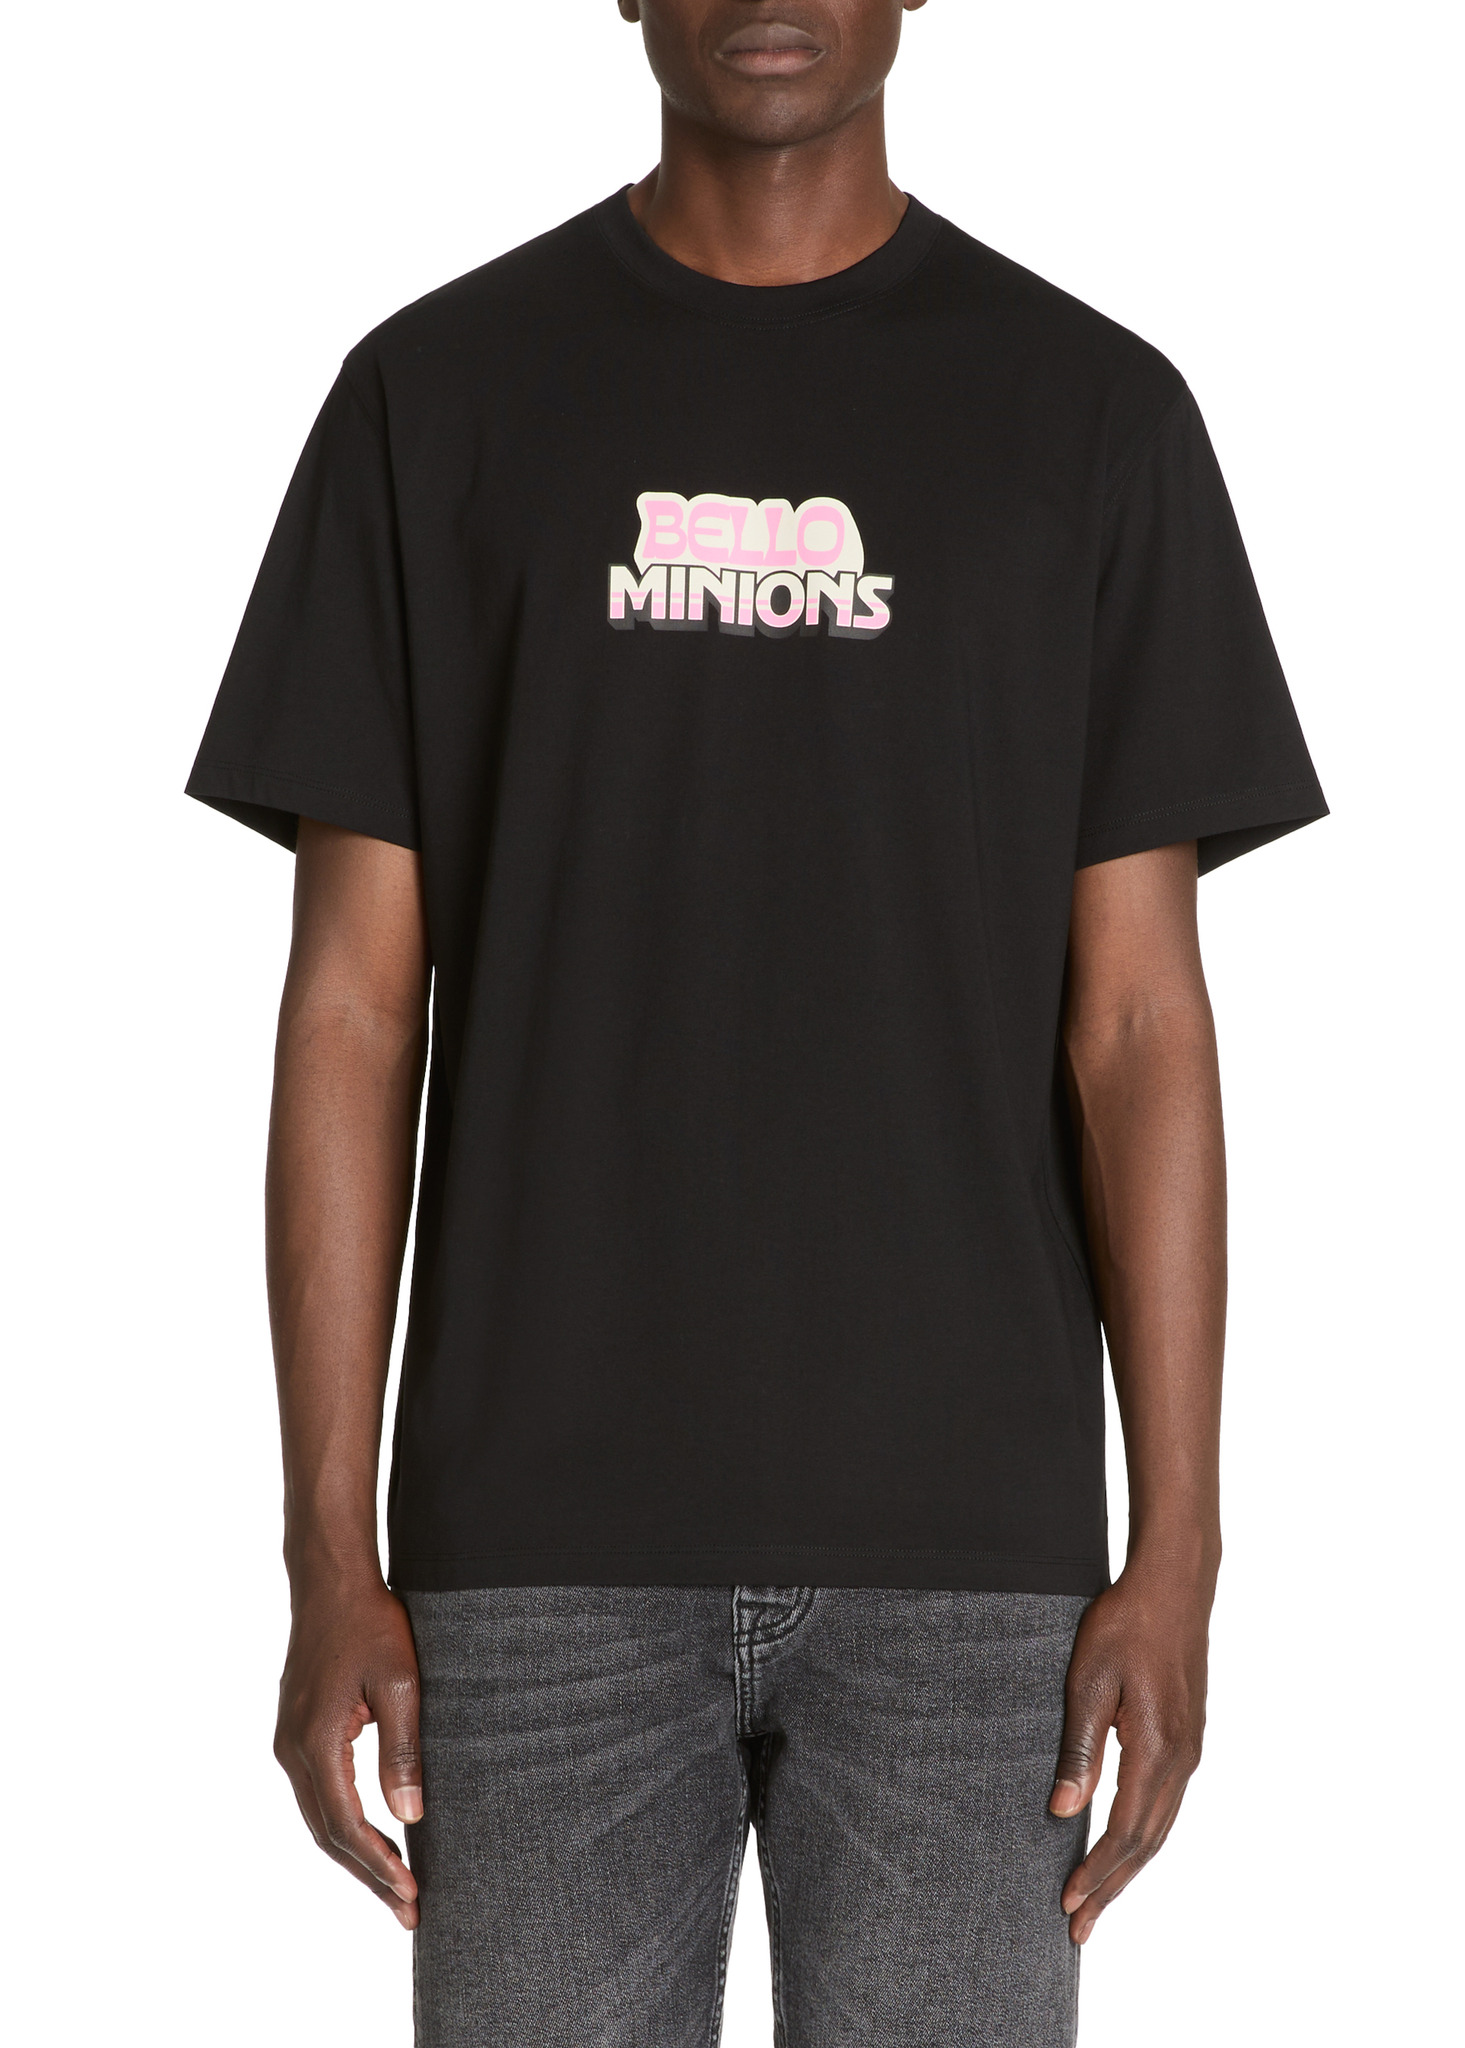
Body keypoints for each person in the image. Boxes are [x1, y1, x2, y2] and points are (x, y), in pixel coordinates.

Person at [187, 3, 1326, 2041]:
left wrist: (1183, 1552)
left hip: (973, 1569)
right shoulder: (434, 399)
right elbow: (351, 1011)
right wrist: (324, 1550)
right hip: (529, 1559)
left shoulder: (1091, 415)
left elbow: (1142, 1026)